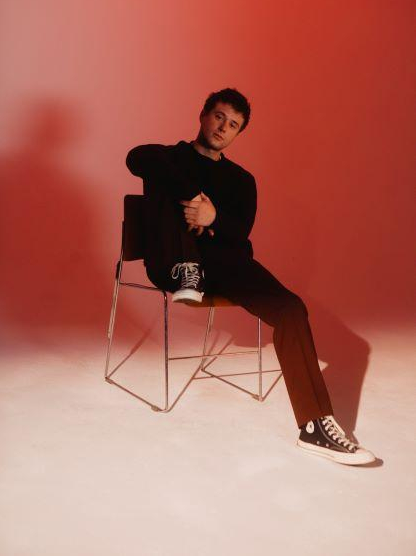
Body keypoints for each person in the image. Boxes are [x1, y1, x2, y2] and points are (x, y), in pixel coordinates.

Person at [126, 87, 376, 466]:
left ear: (238, 133)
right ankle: (187, 269)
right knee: (163, 174)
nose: (222, 128)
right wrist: (195, 196)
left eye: (233, 125)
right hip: (171, 264)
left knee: (291, 308)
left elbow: (240, 233)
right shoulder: (167, 157)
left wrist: (213, 217)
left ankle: (314, 426)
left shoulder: (242, 180)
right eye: (219, 117)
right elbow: (135, 157)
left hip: (226, 267)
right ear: (203, 115)